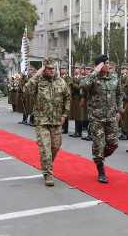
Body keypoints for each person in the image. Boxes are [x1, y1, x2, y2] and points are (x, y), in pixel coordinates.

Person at [24, 58, 70, 187]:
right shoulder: (39, 81)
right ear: (44, 69)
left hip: (56, 121)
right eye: (48, 68)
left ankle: (46, 163)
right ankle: (48, 173)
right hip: (42, 121)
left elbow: (67, 98)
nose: (51, 71)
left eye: (52, 68)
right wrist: (37, 74)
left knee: (55, 146)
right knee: (45, 148)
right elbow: (26, 89)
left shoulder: (61, 82)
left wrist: (65, 114)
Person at [80, 55, 122, 183]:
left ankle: (99, 157)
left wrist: (119, 110)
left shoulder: (114, 77)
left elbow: (119, 94)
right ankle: (101, 170)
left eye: (108, 63)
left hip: (111, 117)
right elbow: (83, 85)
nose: (108, 65)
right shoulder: (93, 78)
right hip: (96, 118)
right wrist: (95, 71)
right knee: (98, 144)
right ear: (99, 66)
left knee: (113, 144)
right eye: (106, 63)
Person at [69, 64, 83, 138]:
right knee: (75, 115)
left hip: (79, 99)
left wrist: (73, 85)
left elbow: (80, 87)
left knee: (78, 116)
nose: (75, 69)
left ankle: (79, 132)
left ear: (80, 70)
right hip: (74, 99)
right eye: (75, 68)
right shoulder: (73, 78)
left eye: (77, 68)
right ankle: (76, 131)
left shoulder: (81, 78)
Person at [118, 64, 128, 140]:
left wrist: (121, 88)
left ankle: (126, 133)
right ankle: (123, 132)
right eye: (122, 68)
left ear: (127, 69)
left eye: (124, 68)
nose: (122, 70)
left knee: (125, 116)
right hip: (121, 98)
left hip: (126, 98)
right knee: (122, 116)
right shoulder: (121, 77)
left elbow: (126, 87)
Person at [59, 63, 71, 134]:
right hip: (60, 97)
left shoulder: (67, 78)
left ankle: (65, 129)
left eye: (63, 69)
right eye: (61, 69)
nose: (62, 70)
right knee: (60, 112)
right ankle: (62, 127)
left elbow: (67, 86)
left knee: (65, 112)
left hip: (65, 96)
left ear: (66, 70)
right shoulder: (60, 77)